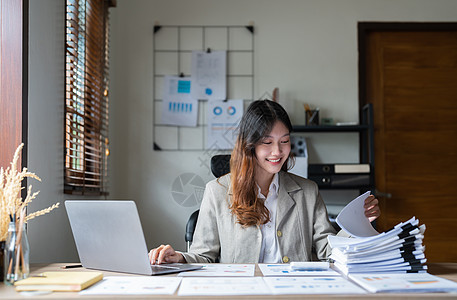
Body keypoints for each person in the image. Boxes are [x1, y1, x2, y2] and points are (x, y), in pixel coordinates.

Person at [149, 99, 380, 264]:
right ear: (250, 145)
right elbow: (203, 257)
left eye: (285, 141)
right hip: (243, 294)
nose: (278, 152)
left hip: (295, 293)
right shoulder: (216, 191)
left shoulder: (307, 191)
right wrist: (178, 257)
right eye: (267, 142)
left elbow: (327, 252)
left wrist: (357, 223)